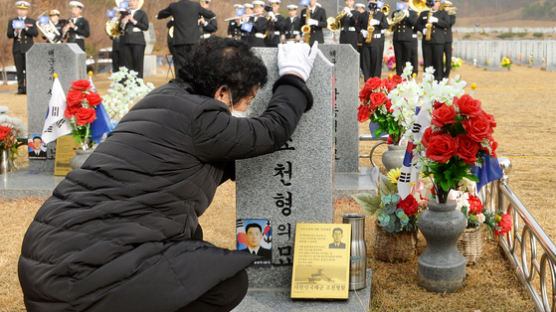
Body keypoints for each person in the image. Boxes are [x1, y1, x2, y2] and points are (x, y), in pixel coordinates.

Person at [18, 37, 319, 312]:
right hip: (81, 280)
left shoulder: (164, 99)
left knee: (193, 256)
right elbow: (271, 130)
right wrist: (293, 78)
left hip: (50, 262)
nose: (247, 109)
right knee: (227, 283)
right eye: (249, 101)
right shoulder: (205, 118)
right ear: (223, 92)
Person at [157, 0, 216, 76]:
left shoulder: (173, 6)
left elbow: (161, 14)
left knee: (179, 66)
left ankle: (179, 84)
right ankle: (192, 84)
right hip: (193, 42)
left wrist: (159, 15)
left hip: (179, 42)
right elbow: (211, 15)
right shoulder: (196, 6)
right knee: (193, 64)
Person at [7, 1, 37, 95]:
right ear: (17, 10)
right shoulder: (12, 21)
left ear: (27, 11)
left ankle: (29, 88)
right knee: (19, 70)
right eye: (20, 9)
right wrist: (15, 31)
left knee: (29, 70)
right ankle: (20, 88)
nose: (21, 11)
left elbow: (35, 33)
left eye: (23, 10)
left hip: (28, 49)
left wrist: (26, 28)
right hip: (17, 48)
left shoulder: (31, 21)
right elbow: (9, 34)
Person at [417, 0, 449, 81]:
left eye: (436, 2)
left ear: (439, 4)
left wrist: (437, 20)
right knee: (427, 61)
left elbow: (447, 24)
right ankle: (427, 80)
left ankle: (438, 79)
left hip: (438, 41)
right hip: (427, 42)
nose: (434, 4)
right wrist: (423, 30)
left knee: (438, 61)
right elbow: (417, 24)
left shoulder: (443, 13)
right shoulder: (424, 13)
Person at [357, 0, 389, 81]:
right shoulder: (363, 15)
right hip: (366, 41)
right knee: (366, 63)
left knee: (377, 63)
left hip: (377, 42)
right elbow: (357, 26)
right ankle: (367, 82)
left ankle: (376, 82)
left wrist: (378, 22)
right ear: (367, 3)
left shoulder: (381, 14)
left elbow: (386, 25)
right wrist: (361, 31)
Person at [119, 0, 149, 78]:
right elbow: (119, 29)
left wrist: (134, 21)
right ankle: (129, 84)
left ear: (138, 2)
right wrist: (122, 23)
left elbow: (145, 26)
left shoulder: (142, 13)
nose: (132, 3)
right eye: (130, 1)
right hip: (126, 41)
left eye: (134, 1)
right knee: (128, 65)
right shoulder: (124, 14)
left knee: (138, 64)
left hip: (138, 41)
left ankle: (139, 83)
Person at [391, 0, 419, 76]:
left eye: (405, 2)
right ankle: (399, 75)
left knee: (408, 58)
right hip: (397, 38)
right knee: (398, 58)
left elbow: (415, 24)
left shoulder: (413, 13)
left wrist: (407, 15)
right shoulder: (395, 13)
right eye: (402, 2)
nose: (404, 4)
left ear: (408, 3)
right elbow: (392, 24)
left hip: (408, 39)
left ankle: (408, 75)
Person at [441, 0, 456, 79]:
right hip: (439, 38)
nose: (446, 8)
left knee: (448, 58)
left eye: (448, 6)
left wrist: (446, 13)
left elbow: (450, 23)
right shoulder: (440, 13)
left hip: (447, 39)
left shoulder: (452, 14)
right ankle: (440, 73)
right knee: (439, 57)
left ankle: (446, 74)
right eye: (445, 6)